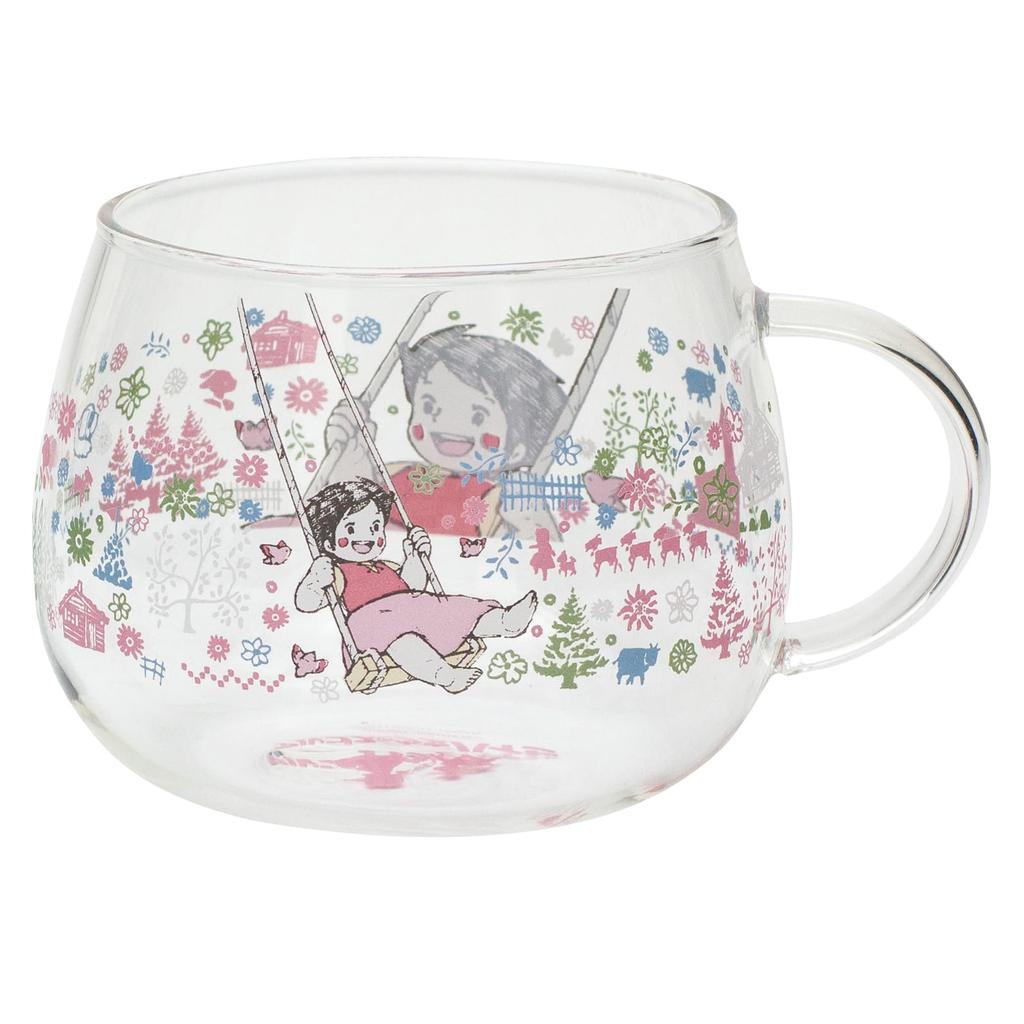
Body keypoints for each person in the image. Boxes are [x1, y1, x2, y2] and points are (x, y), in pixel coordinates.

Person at [315, 324, 567, 535]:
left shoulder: (502, 503)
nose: (446, 423)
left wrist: (533, 526)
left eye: (478, 416)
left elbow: (529, 565)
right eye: (429, 405)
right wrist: (351, 461)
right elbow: (337, 520)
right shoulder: (396, 475)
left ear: (518, 448)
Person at [295, 478, 537, 693]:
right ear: (329, 543)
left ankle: (504, 622)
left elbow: (411, 588)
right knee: (405, 644)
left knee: (456, 611)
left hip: (407, 617)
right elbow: (307, 603)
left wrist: (414, 557)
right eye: (351, 528)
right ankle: (446, 677)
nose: (366, 536)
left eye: (375, 527)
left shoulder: (387, 566)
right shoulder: (337, 573)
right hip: (373, 631)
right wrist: (315, 580)